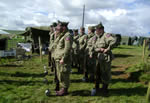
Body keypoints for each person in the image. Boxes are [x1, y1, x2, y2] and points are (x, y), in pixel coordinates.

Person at [91, 22, 116, 96]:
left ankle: (105, 89)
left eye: (97, 30)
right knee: (97, 73)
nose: (96, 31)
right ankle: (97, 88)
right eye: (95, 30)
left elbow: (113, 41)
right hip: (98, 57)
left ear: (101, 30)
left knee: (105, 73)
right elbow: (93, 45)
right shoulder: (96, 37)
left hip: (105, 58)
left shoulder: (106, 35)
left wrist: (107, 49)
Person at [53, 21, 73, 96]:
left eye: (59, 26)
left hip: (63, 60)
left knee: (64, 74)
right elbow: (56, 45)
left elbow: (67, 48)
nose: (57, 28)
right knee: (60, 74)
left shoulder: (67, 35)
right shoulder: (61, 35)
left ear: (64, 27)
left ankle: (65, 90)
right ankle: (63, 88)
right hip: (58, 59)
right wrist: (55, 35)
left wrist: (63, 58)